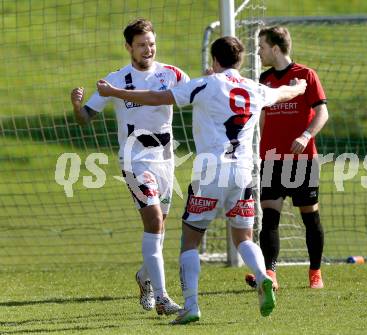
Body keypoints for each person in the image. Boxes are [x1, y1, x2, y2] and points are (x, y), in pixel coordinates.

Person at [96, 36, 307, 324]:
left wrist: (118, 93)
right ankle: (262, 276)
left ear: (214, 61)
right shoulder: (254, 88)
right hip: (244, 172)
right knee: (244, 237)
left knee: (190, 241)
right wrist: (298, 87)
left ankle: (192, 305)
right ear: (240, 61)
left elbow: (158, 97)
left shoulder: (204, 85)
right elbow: (283, 93)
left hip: (211, 171)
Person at [70, 18, 190, 315]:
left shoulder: (172, 74)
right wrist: (76, 106)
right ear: (128, 47)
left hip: (165, 161)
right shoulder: (116, 79)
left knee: (159, 228)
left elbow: (197, 95)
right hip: (134, 162)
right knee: (154, 222)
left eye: (151, 43)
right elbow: (86, 117)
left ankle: (144, 277)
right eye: (141, 45)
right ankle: (163, 298)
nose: (148, 49)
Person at [245, 26, 329, 290]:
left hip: (302, 161)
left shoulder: (306, 75)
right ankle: (270, 274)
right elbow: (260, 116)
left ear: (275, 48)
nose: (258, 52)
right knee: (269, 217)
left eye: (261, 47)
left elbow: (322, 113)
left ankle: (315, 272)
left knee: (310, 217)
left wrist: (305, 136)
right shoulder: (264, 78)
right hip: (271, 160)